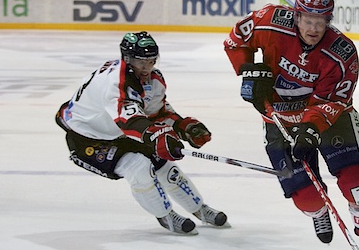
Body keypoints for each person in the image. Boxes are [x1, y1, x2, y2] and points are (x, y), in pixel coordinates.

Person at [223, 0, 359, 250]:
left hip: (331, 119)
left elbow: (334, 101)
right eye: (308, 19)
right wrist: (248, 72)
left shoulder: (342, 53)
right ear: (296, 15)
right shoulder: (269, 21)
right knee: (306, 197)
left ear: (328, 20)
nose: (313, 27)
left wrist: (310, 127)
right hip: (279, 119)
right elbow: (235, 41)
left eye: (321, 21)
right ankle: (319, 211)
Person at [56, 32, 229, 235]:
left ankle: (199, 208)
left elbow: (155, 113)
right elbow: (127, 120)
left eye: (151, 61)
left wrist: (183, 127)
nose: (146, 68)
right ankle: (165, 215)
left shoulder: (153, 79)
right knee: (139, 167)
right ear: (127, 59)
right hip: (87, 138)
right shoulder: (116, 82)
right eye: (140, 61)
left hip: (118, 132)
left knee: (163, 163)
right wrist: (157, 136)